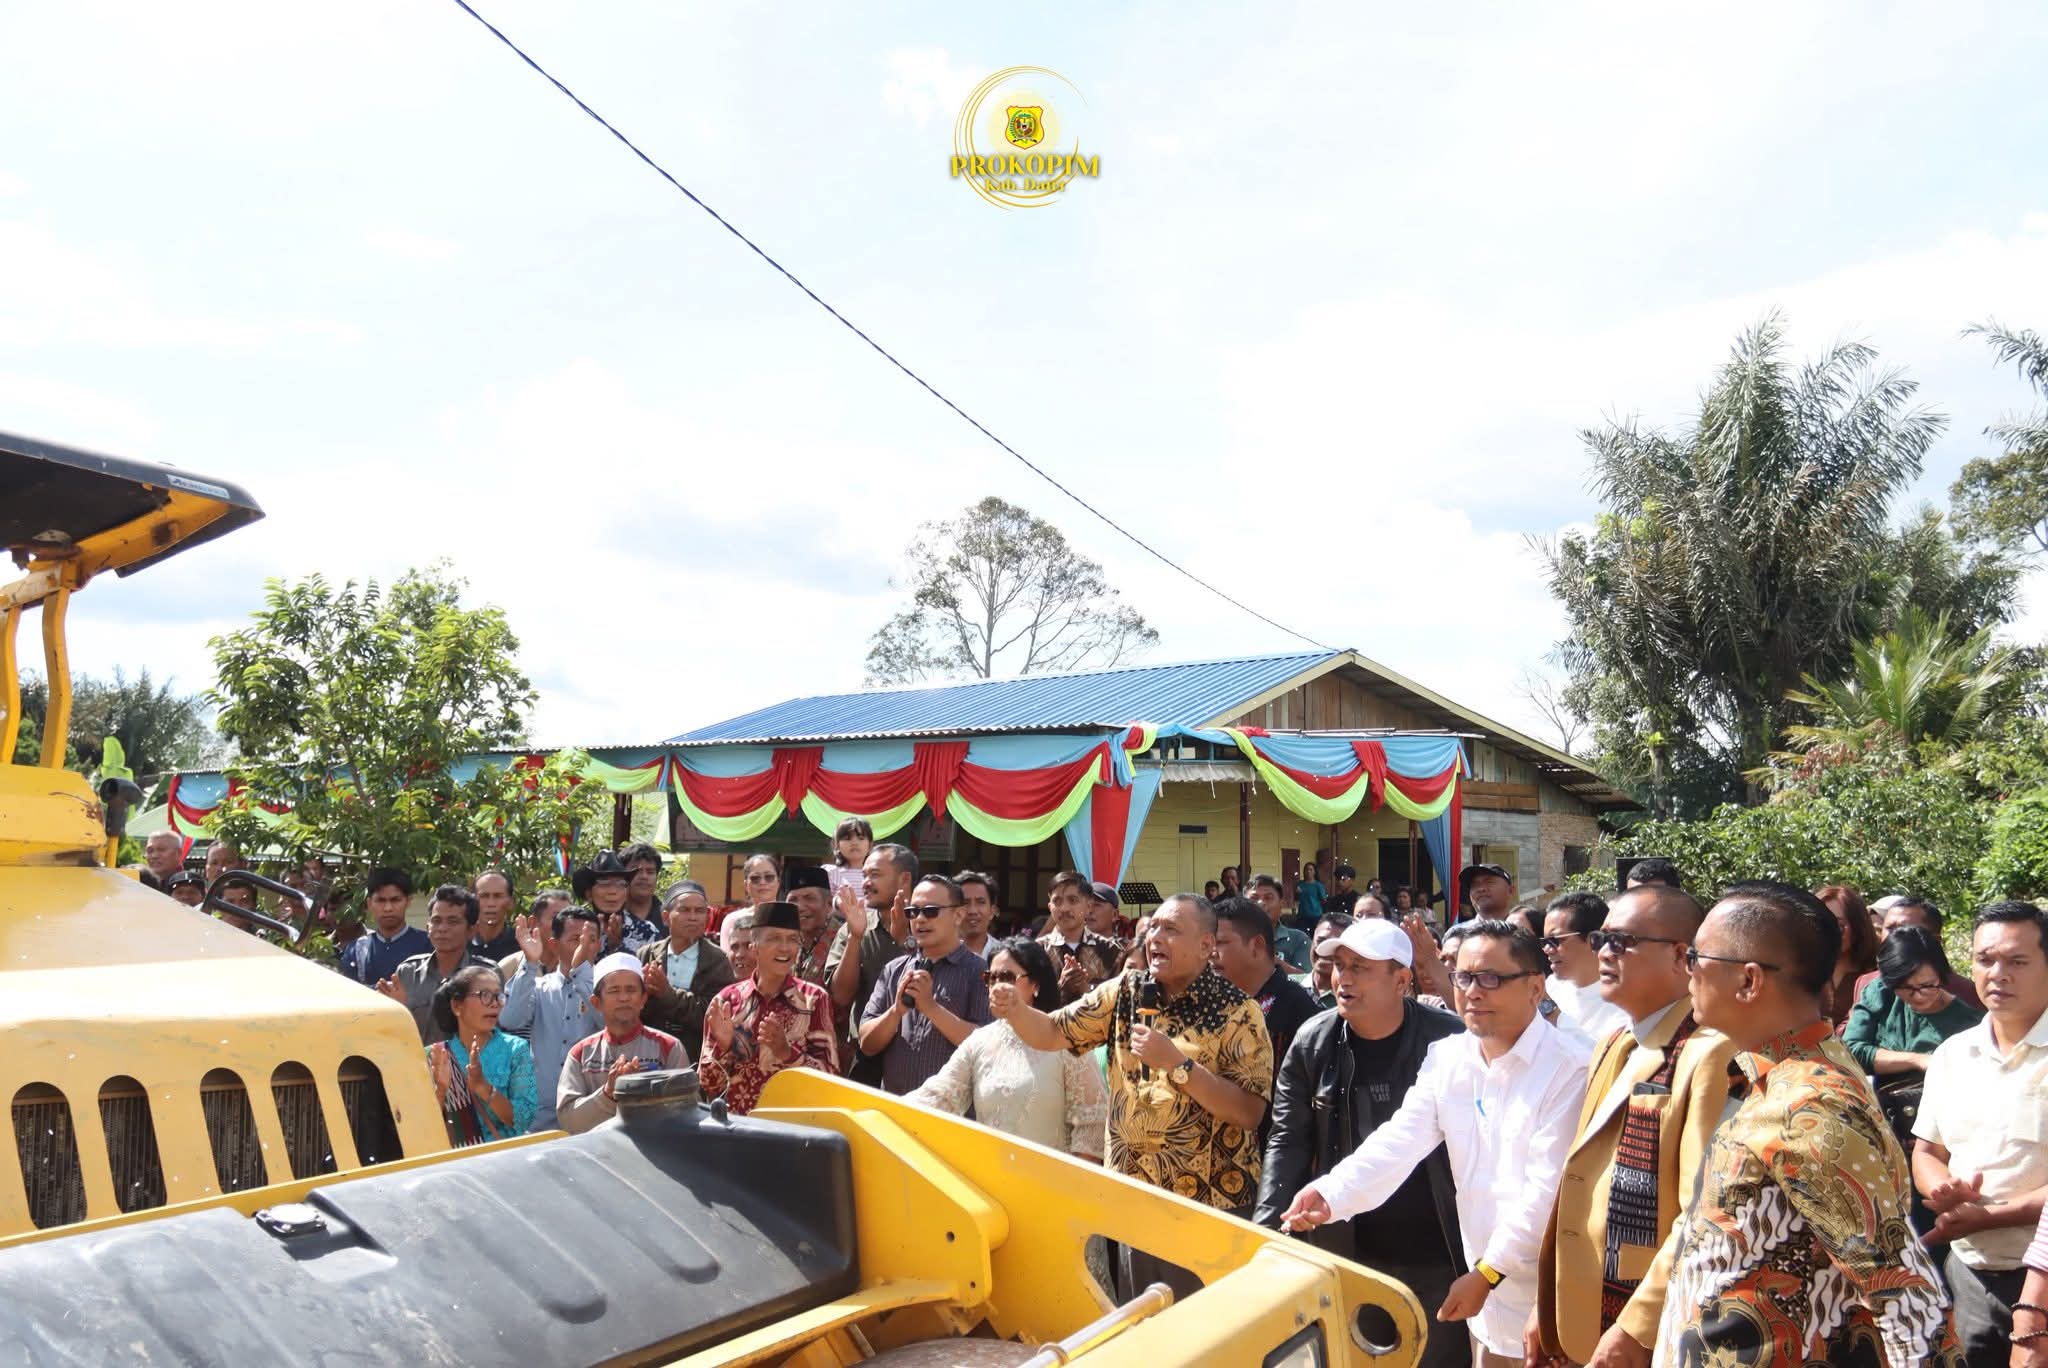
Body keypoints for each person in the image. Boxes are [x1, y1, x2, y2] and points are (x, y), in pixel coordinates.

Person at [1654, 881, 1960, 1365]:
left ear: (1749, 980)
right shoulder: (1775, 1080)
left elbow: (1904, 1297)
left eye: (1696, 956)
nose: (1686, 971)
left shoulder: (1808, 1106)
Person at [1279, 920, 1590, 1368]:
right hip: (1484, 1302)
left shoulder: (1570, 1070)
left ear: (1535, 988)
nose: (1473, 991)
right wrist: (1331, 1192)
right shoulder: (1450, 1057)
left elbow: (1547, 1194)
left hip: (1547, 1305)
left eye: (1491, 978)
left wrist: (1488, 1271)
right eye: (1462, 976)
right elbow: (1400, 1139)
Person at [994, 893, 1273, 1298]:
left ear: (1206, 946)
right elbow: (1053, 1033)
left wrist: (1179, 1066)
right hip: (1135, 1200)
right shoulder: (1127, 990)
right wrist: (1016, 1010)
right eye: (1154, 927)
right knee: (1145, 1324)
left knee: (1203, 1336)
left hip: (1209, 1207)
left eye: (1172, 929)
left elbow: (1249, 1112)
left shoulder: (1239, 1012)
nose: (1156, 937)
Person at [1527, 883, 1737, 1368]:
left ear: (1682, 956)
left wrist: (1637, 1327)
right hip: (1585, 1315)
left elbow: (1702, 1215)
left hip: (1650, 1328)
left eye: (1622, 941)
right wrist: (1550, 1306)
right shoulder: (1617, 1041)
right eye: (1601, 938)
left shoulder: (1708, 1054)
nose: (1604, 951)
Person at [1257, 918, 1468, 1368]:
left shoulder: (1449, 1040)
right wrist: (1268, 1227)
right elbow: (1287, 1139)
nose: (1343, 978)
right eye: (1339, 965)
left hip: (1439, 1246)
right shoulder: (1314, 1040)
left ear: (1402, 980)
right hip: (1348, 1245)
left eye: (1361, 967)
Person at [1913, 901, 2048, 1363]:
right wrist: (1943, 1191)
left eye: (2017, 961)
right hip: (1968, 1271)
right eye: (1985, 960)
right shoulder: (1953, 1054)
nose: (1998, 974)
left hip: (2040, 1276)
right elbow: (1927, 1150)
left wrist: (1990, 1216)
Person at [909, 938, 1107, 1162]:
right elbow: (939, 1097)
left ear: (1036, 985)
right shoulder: (979, 1042)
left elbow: (1092, 1122)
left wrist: (1077, 1185)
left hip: (1053, 1187)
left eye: (1007, 978)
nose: (997, 986)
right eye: (990, 978)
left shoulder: (1064, 1038)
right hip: (991, 1183)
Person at [700, 902, 838, 1115]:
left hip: (794, 1129)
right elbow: (708, 1083)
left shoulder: (814, 999)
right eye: (774, 938)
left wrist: (787, 1052)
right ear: (754, 947)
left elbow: (831, 1080)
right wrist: (726, 1046)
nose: (785, 947)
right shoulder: (727, 1001)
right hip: (738, 1129)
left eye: (792, 939)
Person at [858, 875, 992, 1094]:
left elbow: (986, 1046)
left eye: (930, 911)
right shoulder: (895, 970)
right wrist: (896, 1011)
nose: (920, 919)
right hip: (896, 1108)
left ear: (958, 915)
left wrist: (931, 1008)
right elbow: (867, 1044)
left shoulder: (979, 972)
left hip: (952, 1115)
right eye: (913, 912)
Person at [556, 953, 690, 1134]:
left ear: (643, 999)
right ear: (596, 1002)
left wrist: (638, 1092)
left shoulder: (669, 1047)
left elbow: (685, 1114)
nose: (624, 998)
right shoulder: (581, 1054)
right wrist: (608, 1093)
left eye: (631, 990)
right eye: (614, 991)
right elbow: (569, 1121)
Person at [499, 905, 602, 1130]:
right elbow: (510, 1020)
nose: (584, 945)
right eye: (576, 939)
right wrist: (530, 962)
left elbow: (609, 1022)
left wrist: (581, 974)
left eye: (591, 939)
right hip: (543, 1108)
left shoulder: (608, 989)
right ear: (554, 944)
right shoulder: (538, 987)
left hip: (593, 1105)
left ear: (600, 944)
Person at [826, 843, 917, 1084]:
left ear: (904, 879)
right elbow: (841, 996)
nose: (866, 882)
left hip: (919, 1053)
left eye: (875, 874)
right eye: (864, 875)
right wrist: (856, 937)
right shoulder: (856, 926)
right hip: (867, 1054)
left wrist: (903, 941)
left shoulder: (929, 923)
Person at [424, 965, 537, 1145]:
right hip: (457, 1163)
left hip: (505, 1160)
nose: (494, 1003)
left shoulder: (516, 1049)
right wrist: (441, 1090)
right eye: (484, 996)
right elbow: (422, 1128)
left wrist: (484, 1087)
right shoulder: (436, 1055)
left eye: (499, 996)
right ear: (456, 1006)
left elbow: (524, 1119)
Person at [1212, 896, 1322, 1078]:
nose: (1211, 953)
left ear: (1257, 945)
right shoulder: (1212, 1002)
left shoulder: (1299, 1008)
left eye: (1221, 943)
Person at [378, 884, 497, 1044]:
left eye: (453, 922)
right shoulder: (408, 972)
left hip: (468, 1065)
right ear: (428, 928)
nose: (442, 929)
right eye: (436, 921)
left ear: (471, 930)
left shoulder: (486, 975)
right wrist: (398, 1011)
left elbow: (494, 1032)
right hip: (416, 1064)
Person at [637, 880, 735, 1057]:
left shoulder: (717, 960)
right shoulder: (646, 955)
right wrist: (643, 994)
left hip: (695, 1054)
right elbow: (634, 1009)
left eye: (700, 911)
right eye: (684, 910)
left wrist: (667, 994)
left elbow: (713, 1014)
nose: (693, 917)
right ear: (666, 917)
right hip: (649, 1054)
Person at [1852, 896, 1981, 1008]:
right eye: (1889, 928)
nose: (1894, 937)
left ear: (1935, 940)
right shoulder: (1867, 983)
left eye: (1904, 930)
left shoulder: (1967, 993)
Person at [1541, 891, 1628, 1045]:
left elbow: (1601, 1060)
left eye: (1555, 940)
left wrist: (1550, 1011)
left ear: (1594, 940)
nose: (1547, 949)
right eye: (1544, 942)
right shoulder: (1550, 986)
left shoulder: (1623, 1001)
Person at [1036, 870, 1124, 1003]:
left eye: (1073, 900)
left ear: (1089, 906)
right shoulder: (1038, 951)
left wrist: (1086, 989)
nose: (1064, 908)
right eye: (1057, 901)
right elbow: (1027, 1003)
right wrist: (1060, 987)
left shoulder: (1111, 951)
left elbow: (1119, 1000)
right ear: (1050, 907)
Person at [338, 866, 429, 985]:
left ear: (408, 901)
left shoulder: (427, 944)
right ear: (369, 904)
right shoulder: (356, 950)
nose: (388, 908)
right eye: (381, 900)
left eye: (395, 900)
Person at [1814, 883, 1880, 1030]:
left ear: (1857, 928)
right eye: (1820, 924)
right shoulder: (1801, 970)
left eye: (1838, 925)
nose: (1828, 932)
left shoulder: (1875, 977)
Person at [496, 888, 573, 987]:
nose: (565, 925)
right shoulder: (509, 967)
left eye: (570, 919)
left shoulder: (579, 969)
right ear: (533, 923)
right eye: (557, 918)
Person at [779, 864, 840, 986]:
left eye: (809, 898)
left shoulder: (844, 940)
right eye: (793, 900)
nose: (800, 907)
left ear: (828, 904)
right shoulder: (785, 942)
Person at [575, 850, 646, 953]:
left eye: (620, 884)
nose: (613, 891)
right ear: (589, 894)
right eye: (604, 884)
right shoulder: (576, 929)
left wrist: (617, 947)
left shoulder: (645, 930)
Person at [1246, 874, 1312, 973]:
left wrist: (1272, 962)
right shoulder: (1233, 938)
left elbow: (1305, 980)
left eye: (1268, 898)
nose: (1260, 903)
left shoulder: (1298, 939)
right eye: (1254, 898)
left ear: (1281, 904)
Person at [617, 843, 666, 951]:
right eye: (637, 871)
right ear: (622, 875)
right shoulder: (611, 917)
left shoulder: (669, 919)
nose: (644, 876)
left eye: (650, 872)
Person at [470, 869, 519, 961]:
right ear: (472, 901)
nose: (491, 903)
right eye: (484, 896)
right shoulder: (459, 941)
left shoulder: (521, 945)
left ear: (511, 902)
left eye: (498, 896)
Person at [1308, 912, 1355, 1005]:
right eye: (1320, 941)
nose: (1325, 949)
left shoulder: (1353, 999)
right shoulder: (1285, 985)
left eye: (1334, 945)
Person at [826, 817, 872, 902]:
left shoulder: (875, 875)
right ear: (837, 845)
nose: (854, 843)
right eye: (847, 838)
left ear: (870, 845)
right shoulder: (832, 873)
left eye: (861, 838)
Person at [957, 870, 1000, 959]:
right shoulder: (937, 954)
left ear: (992, 911)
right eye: (965, 902)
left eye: (981, 902)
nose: (973, 911)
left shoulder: (1004, 955)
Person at [723, 910, 757, 980]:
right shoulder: (717, 988)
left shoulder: (783, 989)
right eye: (734, 947)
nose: (739, 955)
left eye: (749, 946)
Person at [1295, 861, 1328, 928]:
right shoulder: (1300, 884)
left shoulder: (1318, 885)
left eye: (1311, 869)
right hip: (1302, 916)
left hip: (1315, 916)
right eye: (1306, 869)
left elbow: (1324, 901)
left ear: (1314, 872)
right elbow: (1297, 899)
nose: (1308, 871)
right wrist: (1297, 893)